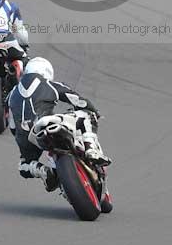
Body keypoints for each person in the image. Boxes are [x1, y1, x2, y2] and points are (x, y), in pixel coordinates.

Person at [8, 57, 111, 191]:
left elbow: (12, 127)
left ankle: (42, 171)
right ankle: (91, 150)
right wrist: (93, 110)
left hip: (27, 137)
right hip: (46, 123)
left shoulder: (11, 94)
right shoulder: (49, 84)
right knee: (86, 115)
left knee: (23, 165)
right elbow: (78, 100)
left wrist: (23, 138)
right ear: (47, 72)